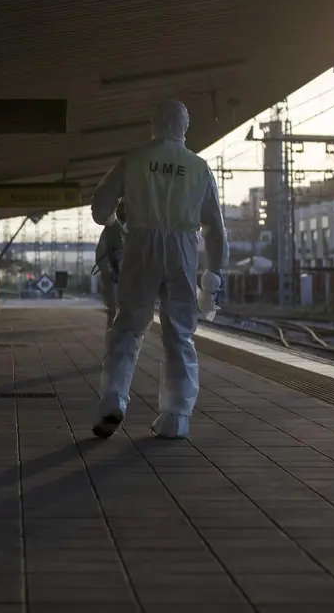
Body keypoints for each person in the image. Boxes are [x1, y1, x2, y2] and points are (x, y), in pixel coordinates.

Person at [88, 99, 228, 440]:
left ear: (153, 124)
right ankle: (176, 417)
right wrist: (212, 280)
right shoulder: (199, 167)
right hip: (182, 249)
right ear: (185, 127)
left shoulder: (134, 160)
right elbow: (215, 230)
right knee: (179, 334)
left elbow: (99, 208)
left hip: (141, 245)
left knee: (127, 327)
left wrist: (116, 224)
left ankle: (113, 400)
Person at [94, 200, 126, 332]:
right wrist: (108, 270)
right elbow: (101, 254)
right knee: (114, 312)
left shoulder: (137, 229)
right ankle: (114, 342)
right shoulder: (111, 230)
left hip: (126, 276)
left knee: (122, 312)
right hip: (114, 276)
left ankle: (117, 343)